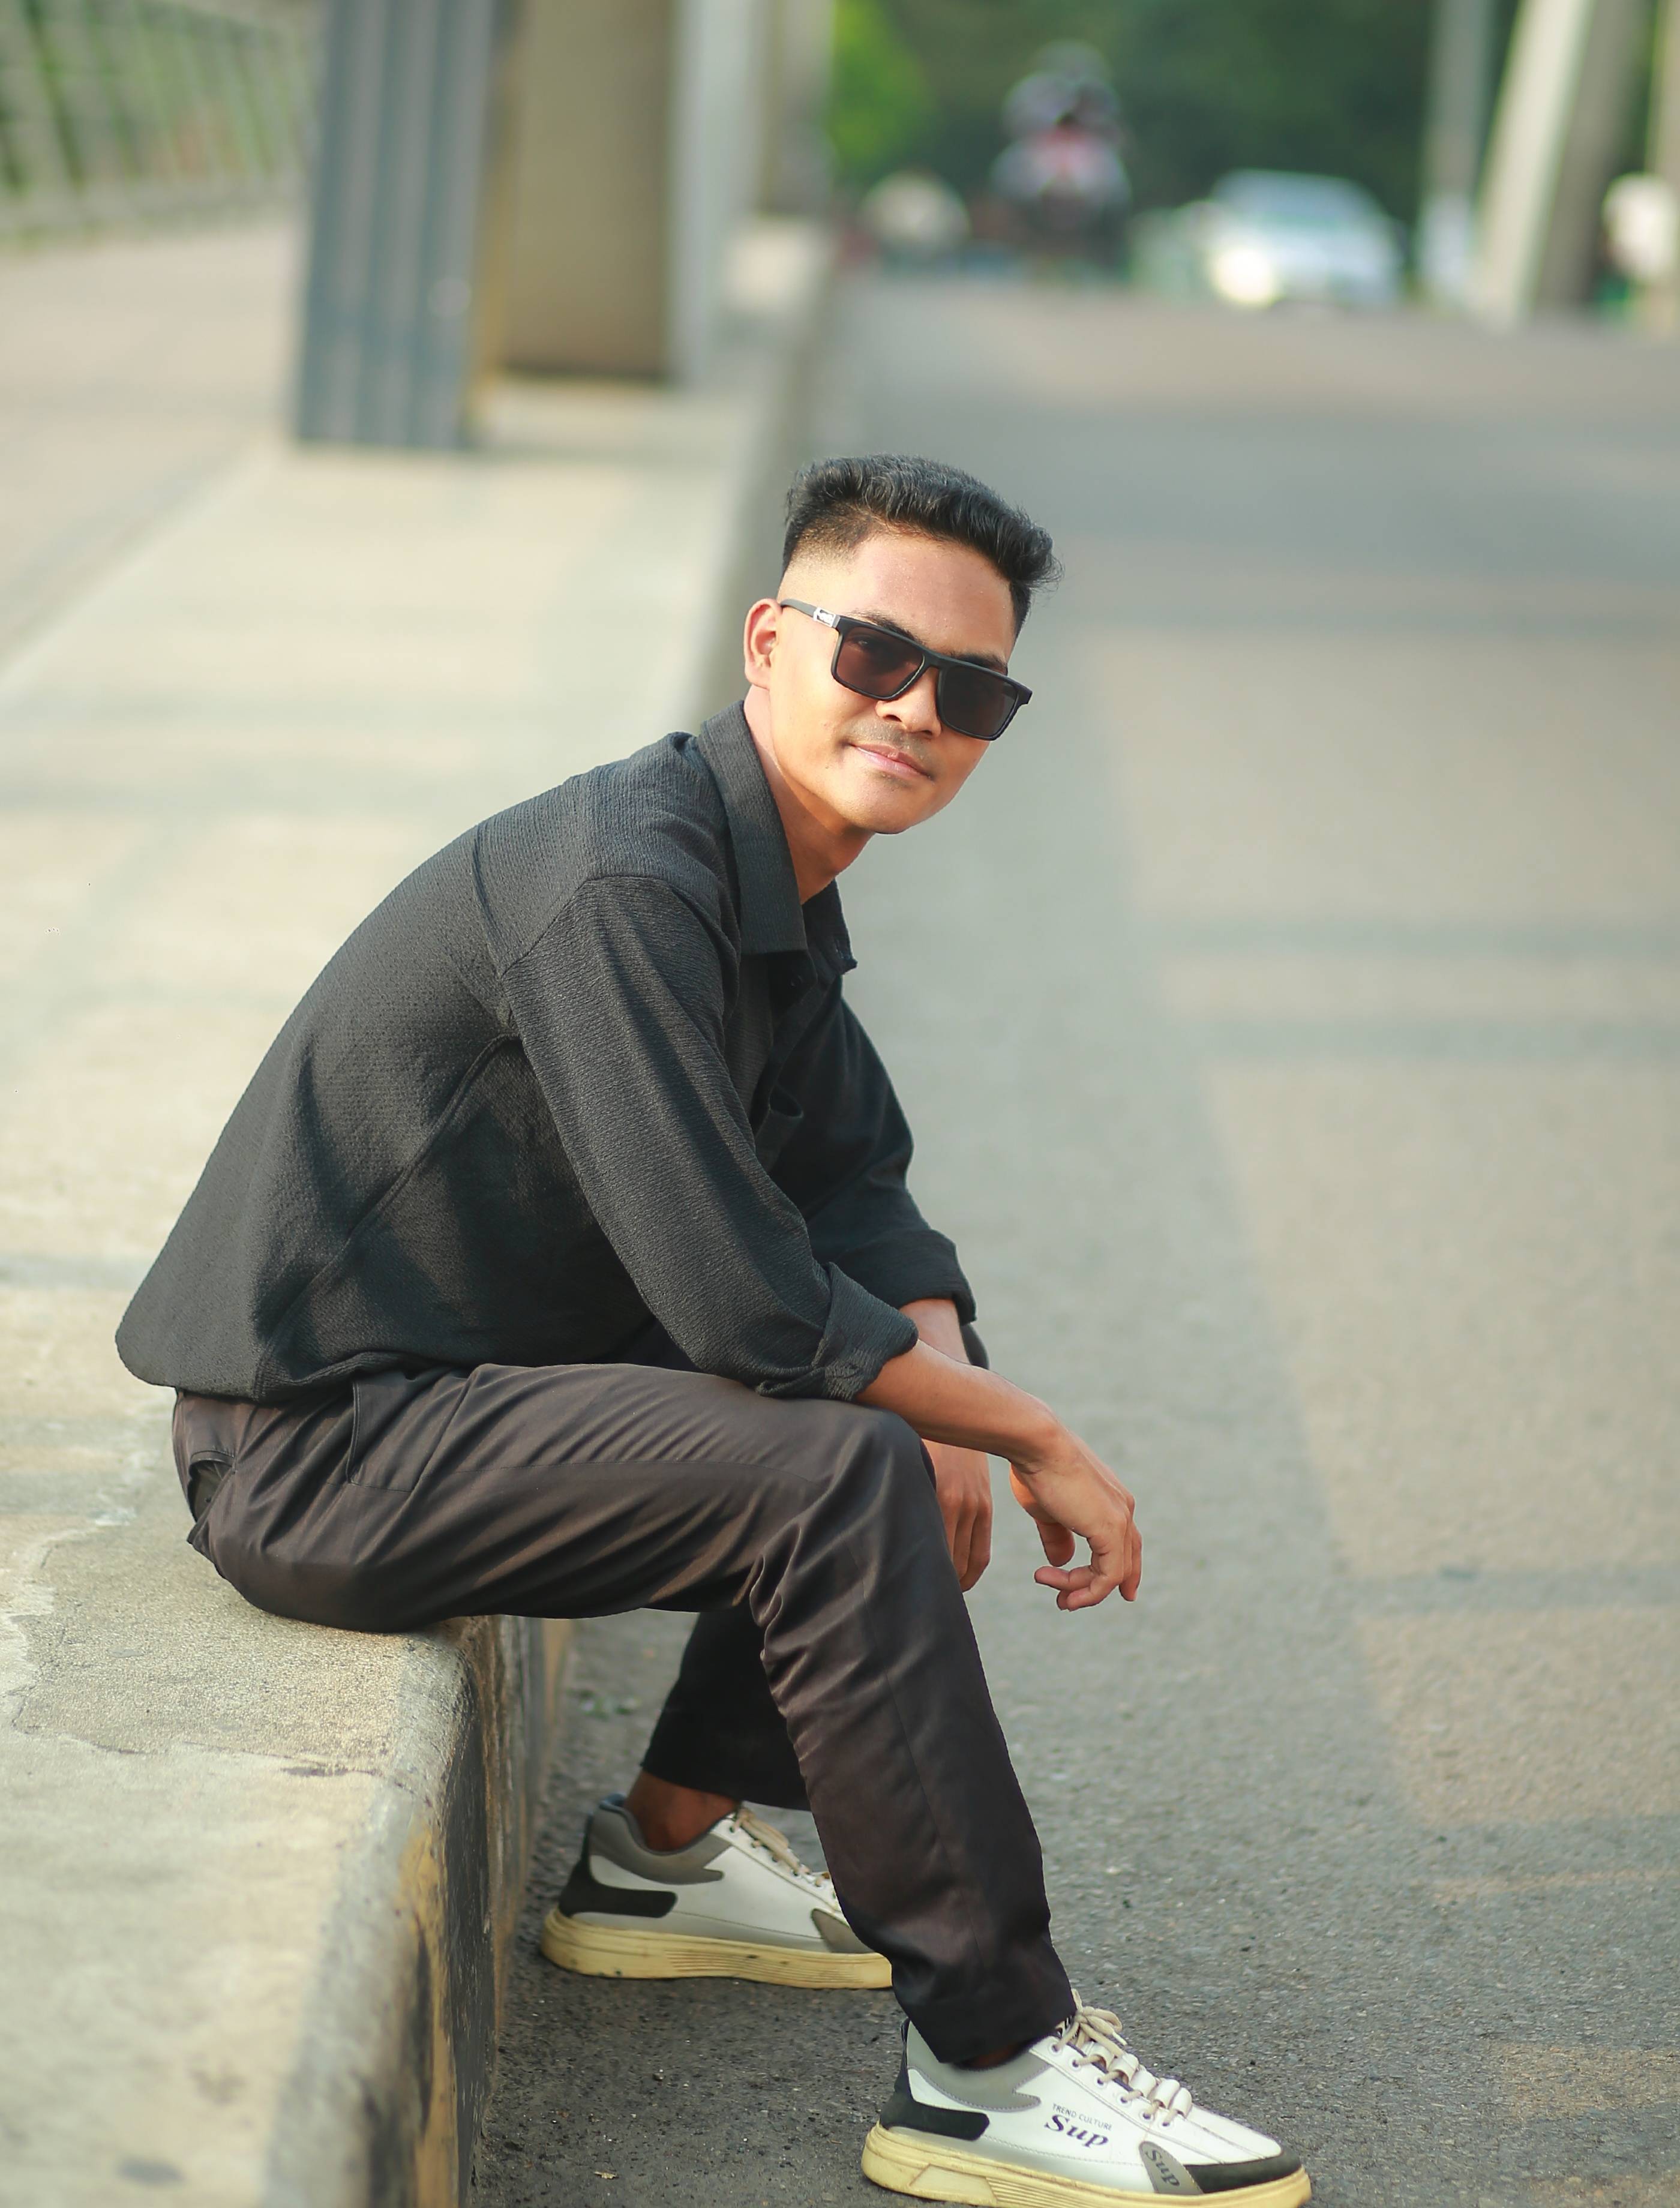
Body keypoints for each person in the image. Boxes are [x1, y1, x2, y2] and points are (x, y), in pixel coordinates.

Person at [118, 455, 1309, 2206]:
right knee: (842, 1463)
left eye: (972, 691)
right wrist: (1017, 1429)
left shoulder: (767, 874)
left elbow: (856, 1171)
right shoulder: (622, 880)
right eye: (876, 655)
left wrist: (945, 1373)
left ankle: (663, 1859)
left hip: (462, 1397)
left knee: (879, 1415)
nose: (916, 711)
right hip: (321, 1450)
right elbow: (744, 1300)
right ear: (768, 641)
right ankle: (988, 2065)